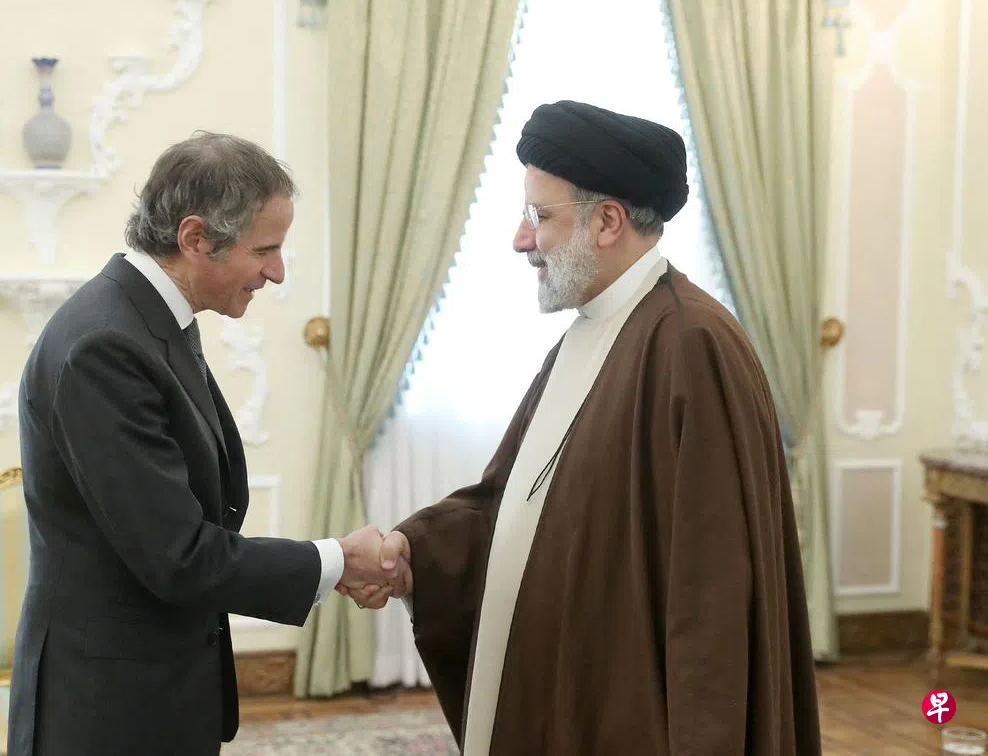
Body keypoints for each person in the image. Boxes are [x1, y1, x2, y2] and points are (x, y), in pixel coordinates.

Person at [342, 101, 822, 754]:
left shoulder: (689, 344)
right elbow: (512, 503)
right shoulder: (592, 332)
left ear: (607, 221)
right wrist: (413, 553)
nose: (521, 239)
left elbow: (711, 591)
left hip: (631, 712)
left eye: (540, 216)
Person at [6, 132, 387, 756]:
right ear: (195, 239)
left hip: (152, 691)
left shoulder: (147, 319)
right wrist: (337, 561)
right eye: (264, 250)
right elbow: (177, 556)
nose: (277, 272)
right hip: (108, 713)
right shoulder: (106, 346)